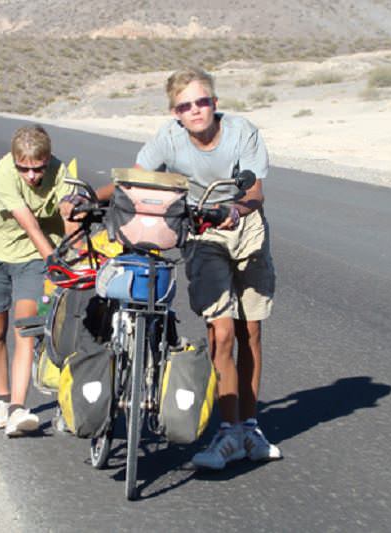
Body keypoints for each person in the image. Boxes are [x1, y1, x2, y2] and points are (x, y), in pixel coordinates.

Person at [134, 67, 282, 469]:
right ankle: (228, 432)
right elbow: (139, 178)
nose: (196, 110)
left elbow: (255, 190)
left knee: (249, 329)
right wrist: (95, 197)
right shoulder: (168, 138)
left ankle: (250, 428)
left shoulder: (242, 131)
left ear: (215, 104)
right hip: (202, 232)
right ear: (175, 112)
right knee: (220, 332)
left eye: (202, 102)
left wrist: (236, 208)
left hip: (244, 225)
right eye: (186, 105)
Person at [0, 125, 79, 437]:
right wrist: (55, 261)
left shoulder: (60, 171)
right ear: (15, 161)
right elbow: (28, 223)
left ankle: (17, 407)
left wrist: (75, 252)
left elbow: (70, 212)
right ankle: (2, 400)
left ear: (48, 159)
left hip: (32, 257)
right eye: (24, 168)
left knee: (26, 325)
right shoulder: (3, 175)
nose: (31, 176)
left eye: (37, 168)